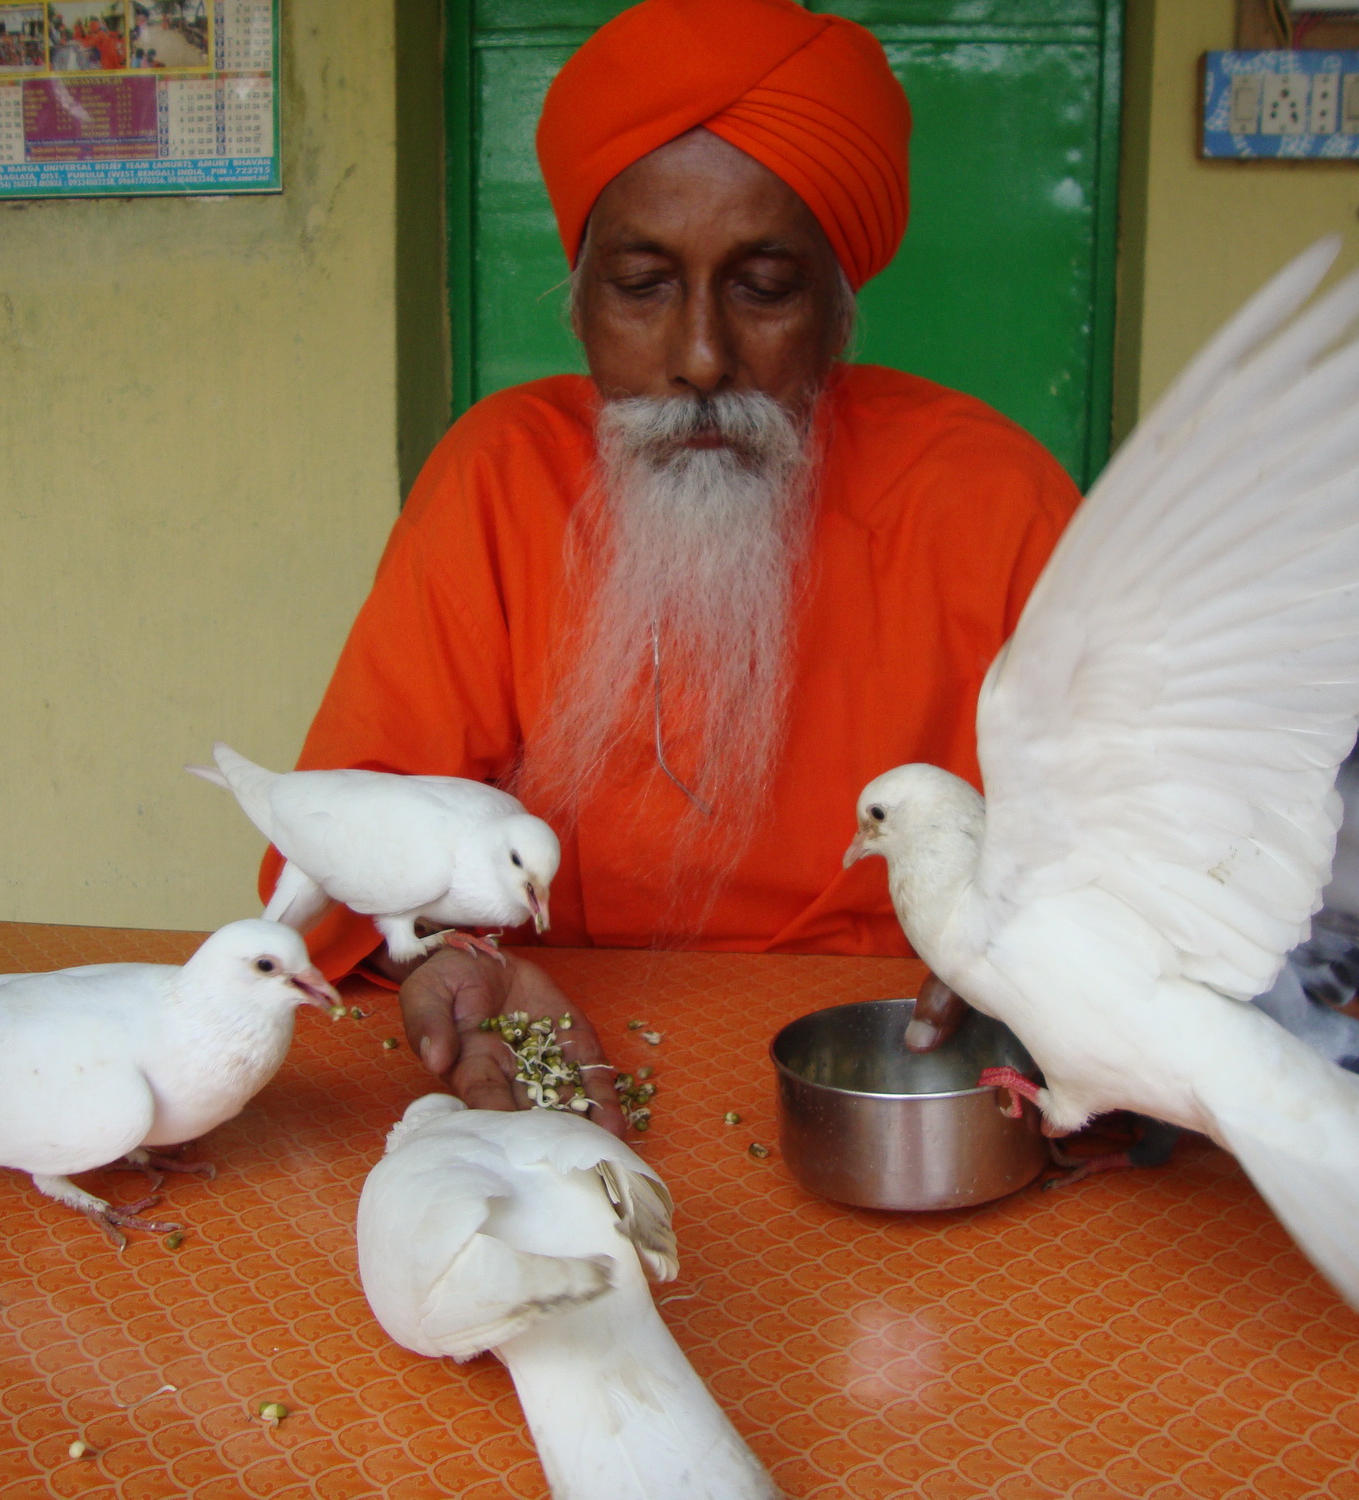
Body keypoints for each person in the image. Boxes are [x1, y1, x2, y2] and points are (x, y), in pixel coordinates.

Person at [260, 0, 1081, 1128]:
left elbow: (1142, 867)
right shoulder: (499, 479)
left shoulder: (994, 499)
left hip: (903, 1075)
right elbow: (345, 848)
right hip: (571, 1057)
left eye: (763, 287)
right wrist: (451, 958)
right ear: (580, 305)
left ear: (838, 313)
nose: (700, 357)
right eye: (643, 286)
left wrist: (1038, 980)